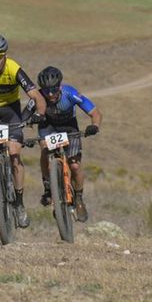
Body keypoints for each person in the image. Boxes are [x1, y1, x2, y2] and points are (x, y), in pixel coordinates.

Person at [0, 34, 47, 228]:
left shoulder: (13, 69)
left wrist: (40, 113)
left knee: (15, 155)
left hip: (10, 111)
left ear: (5, 55)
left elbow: (35, 95)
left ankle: (19, 203)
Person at [35, 66, 102, 223]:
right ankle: (48, 188)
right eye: (46, 91)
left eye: (53, 89)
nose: (50, 94)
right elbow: (25, 114)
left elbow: (95, 113)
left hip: (69, 127)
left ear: (60, 86)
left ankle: (78, 198)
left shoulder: (70, 93)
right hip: (48, 127)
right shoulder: (38, 97)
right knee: (44, 150)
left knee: (75, 166)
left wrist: (95, 126)